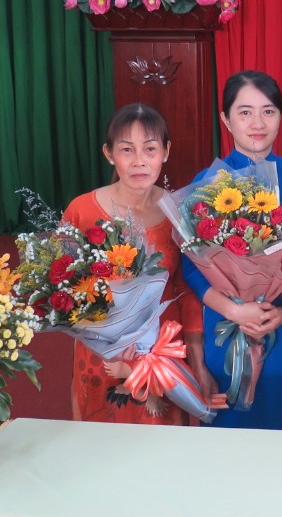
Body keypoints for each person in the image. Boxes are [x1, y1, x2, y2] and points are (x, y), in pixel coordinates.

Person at [63, 103, 212, 424]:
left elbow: (186, 287)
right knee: (102, 438)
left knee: (160, 442)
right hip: (102, 352)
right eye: (127, 149)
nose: (139, 161)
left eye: (150, 149)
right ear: (109, 153)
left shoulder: (179, 212)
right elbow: (61, 288)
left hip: (161, 350)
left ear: (166, 151)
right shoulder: (81, 211)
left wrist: (197, 355)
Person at [181, 71, 282, 429]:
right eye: (245, 112)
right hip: (226, 320)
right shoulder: (208, 181)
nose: (257, 123)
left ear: (281, 116)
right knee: (228, 421)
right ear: (226, 119)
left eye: (268, 111)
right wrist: (234, 311)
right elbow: (191, 265)